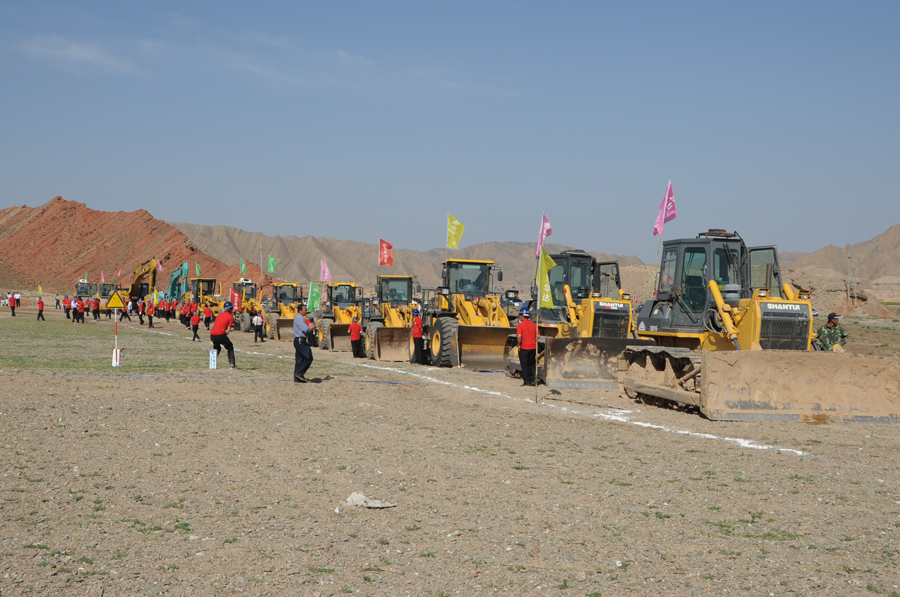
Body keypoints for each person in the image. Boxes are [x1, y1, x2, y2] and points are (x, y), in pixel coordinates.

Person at [293, 303, 316, 382]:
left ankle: (297, 378)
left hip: (298, 340)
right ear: (300, 310)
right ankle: (299, 373)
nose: (306, 311)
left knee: (299, 360)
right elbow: (305, 329)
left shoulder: (299, 318)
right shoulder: (300, 318)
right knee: (309, 357)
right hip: (300, 341)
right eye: (305, 310)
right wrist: (311, 327)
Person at [210, 301, 236, 369]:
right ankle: (232, 364)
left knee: (217, 348)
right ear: (230, 309)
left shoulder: (219, 315)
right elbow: (228, 330)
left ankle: (212, 364)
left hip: (212, 335)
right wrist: (225, 333)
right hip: (221, 335)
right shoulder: (230, 317)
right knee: (230, 347)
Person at [516, 307, 538, 386]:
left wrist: (519, 344)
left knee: (524, 365)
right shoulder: (534, 325)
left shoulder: (520, 326)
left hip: (524, 348)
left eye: (520, 315)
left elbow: (519, 336)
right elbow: (538, 336)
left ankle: (527, 381)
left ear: (522, 316)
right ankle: (533, 380)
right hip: (533, 348)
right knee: (532, 364)